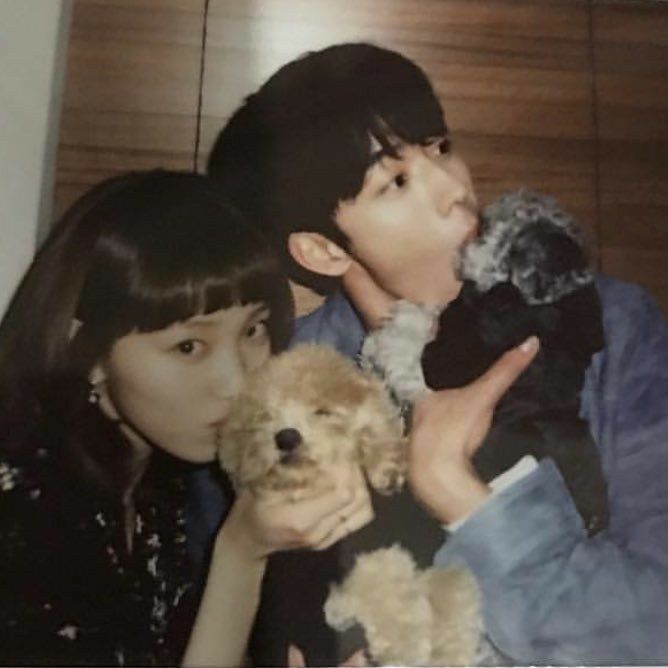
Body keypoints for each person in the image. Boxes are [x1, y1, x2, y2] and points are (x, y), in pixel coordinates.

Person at [204, 43, 668, 664]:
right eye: (396, 181)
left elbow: (653, 636)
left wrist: (464, 496)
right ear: (322, 250)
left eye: (441, 148)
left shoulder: (608, 325)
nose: (455, 189)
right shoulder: (288, 396)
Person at [0, 170, 372, 666]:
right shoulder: (21, 521)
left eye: (253, 330)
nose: (238, 382)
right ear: (86, 354)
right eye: (189, 346)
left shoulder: (159, 485)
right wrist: (241, 553)